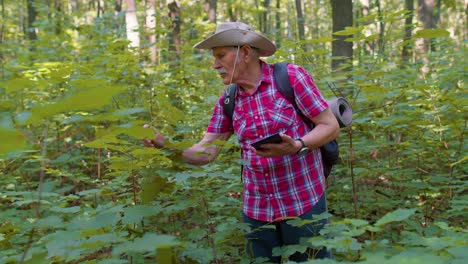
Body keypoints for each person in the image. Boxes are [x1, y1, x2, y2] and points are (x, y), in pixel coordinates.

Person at [143, 21, 339, 263]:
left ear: (245, 52)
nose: (215, 64)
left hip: (304, 202)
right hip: (257, 212)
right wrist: (168, 147)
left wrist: (298, 145)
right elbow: (206, 153)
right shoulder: (229, 101)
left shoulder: (290, 78)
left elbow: (329, 125)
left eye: (220, 55)